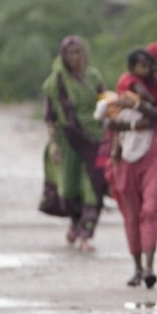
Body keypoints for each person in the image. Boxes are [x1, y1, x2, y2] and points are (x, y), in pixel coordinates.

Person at [106, 42, 157, 289]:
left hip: (156, 154)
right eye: (152, 65)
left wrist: (139, 106)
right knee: (131, 212)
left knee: (151, 208)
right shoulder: (128, 84)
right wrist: (124, 136)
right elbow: (112, 121)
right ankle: (137, 267)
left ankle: (149, 267)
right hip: (127, 155)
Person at [39, 36, 107, 253]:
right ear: (63, 56)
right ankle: (75, 222)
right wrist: (54, 145)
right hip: (68, 140)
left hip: (94, 139)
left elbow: (106, 103)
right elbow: (50, 117)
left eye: (78, 52)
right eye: (70, 53)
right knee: (69, 190)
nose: (75, 57)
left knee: (93, 187)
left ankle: (86, 234)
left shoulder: (94, 76)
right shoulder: (55, 83)